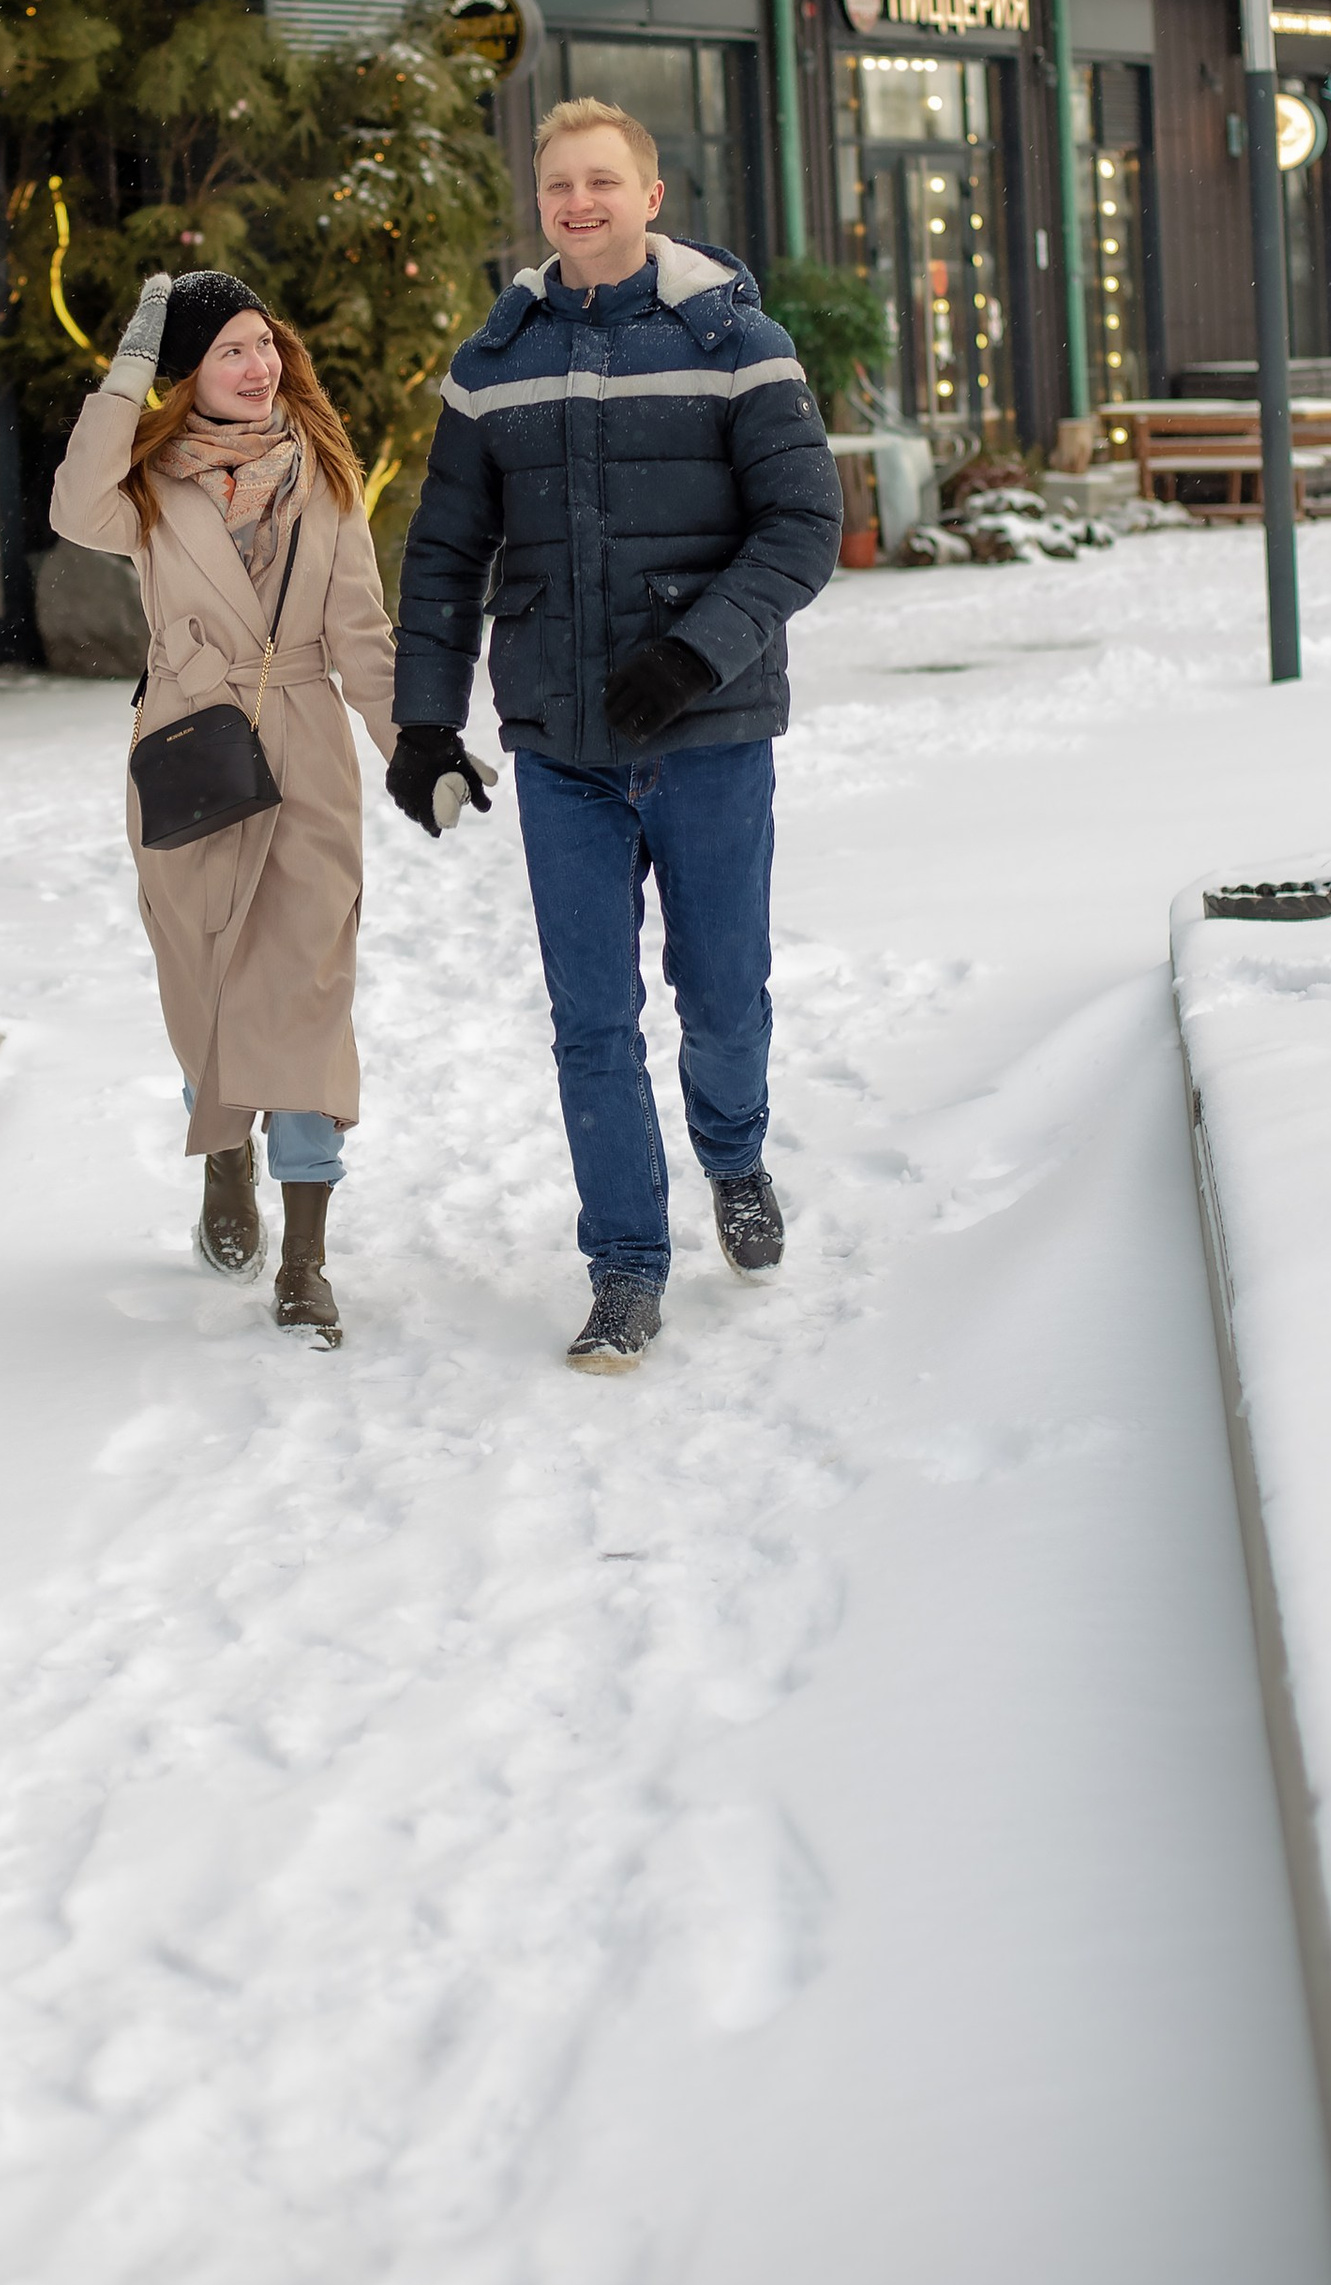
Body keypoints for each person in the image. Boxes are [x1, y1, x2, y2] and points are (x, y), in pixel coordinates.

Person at [386, 98, 842, 1373]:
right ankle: (625, 1266)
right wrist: (426, 720)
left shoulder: (737, 342)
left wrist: (692, 655)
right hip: (560, 747)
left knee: (722, 997)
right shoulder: (495, 362)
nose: (577, 203)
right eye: (557, 186)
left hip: (710, 736)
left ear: (650, 195)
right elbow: (444, 552)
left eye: (601, 181)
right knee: (590, 1019)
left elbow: (804, 526)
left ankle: (734, 1154)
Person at [50, 266, 403, 1346]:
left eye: (264, 344)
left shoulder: (325, 478)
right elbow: (72, 505)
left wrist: (415, 751)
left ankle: (305, 1257)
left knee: (305, 992)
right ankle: (223, 1152)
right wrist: (129, 363)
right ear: (186, 376)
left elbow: (361, 636)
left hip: (305, 752)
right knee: (205, 985)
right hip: (191, 746)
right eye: (228, 351)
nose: (257, 368)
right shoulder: (149, 487)